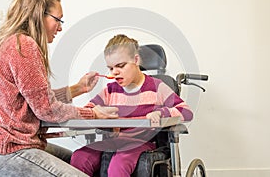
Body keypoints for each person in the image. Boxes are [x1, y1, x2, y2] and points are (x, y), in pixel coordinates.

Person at [0, 0, 118, 176]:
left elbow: (34, 99)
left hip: (1, 148)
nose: (59, 27)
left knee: (81, 162)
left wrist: (78, 88)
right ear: (38, 15)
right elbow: (46, 109)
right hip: (6, 151)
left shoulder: (12, 42)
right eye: (57, 20)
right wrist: (93, 114)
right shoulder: (23, 46)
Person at [70, 34, 193, 177]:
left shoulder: (157, 87)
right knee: (80, 157)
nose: (115, 72)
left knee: (118, 165)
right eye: (110, 68)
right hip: (113, 141)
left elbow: (186, 111)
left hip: (141, 142)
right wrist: (98, 113)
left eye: (120, 66)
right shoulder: (110, 90)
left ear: (136, 60)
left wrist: (161, 113)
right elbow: (88, 111)